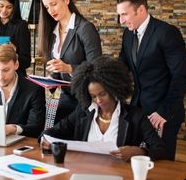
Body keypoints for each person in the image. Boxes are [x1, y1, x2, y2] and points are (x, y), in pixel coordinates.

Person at [40, 56, 169, 161]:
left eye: (102, 94)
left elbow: (162, 150)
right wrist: (45, 140)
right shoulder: (83, 112)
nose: (98, 100)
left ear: (113, 89)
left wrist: (139, 151)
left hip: (120, 174)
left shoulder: (135, 116)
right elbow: (51, 132)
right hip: (84, 171)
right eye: (93, 96)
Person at [117, 0, 186, 160]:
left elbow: (181, 76)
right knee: (134, 161)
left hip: (163, 114)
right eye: (119, 15)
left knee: (162, 167)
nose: (121, 21)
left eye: (124, 14)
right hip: (138, 111)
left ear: (141, 10)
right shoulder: (128, 34)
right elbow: (121, 67)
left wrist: (163, 112)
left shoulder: (167, 33)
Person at [37, 0, 102, 123]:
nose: (51, 10)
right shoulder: (52, 32)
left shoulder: (85, 28)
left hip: (84, 98)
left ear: (66, 0)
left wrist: (69, 68)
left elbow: (97, 68)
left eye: (54, 4)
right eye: (47, 7)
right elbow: (57, 71)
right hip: (62, 97)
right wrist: (49, 79)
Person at [0, 44, 45, 138]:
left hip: (22, 144)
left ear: (16, 65)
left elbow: (36, 128)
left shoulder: (34, 89)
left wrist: (14, 129)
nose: (1, 77)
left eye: (6, 70)